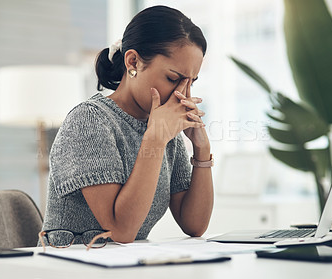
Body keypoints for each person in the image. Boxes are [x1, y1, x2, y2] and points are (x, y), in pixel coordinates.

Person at [40, 5, 214, 246]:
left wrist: (202, 149)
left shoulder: (162, 127)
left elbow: (194, 225)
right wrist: (154, 139)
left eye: (191, 82)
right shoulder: (90, 121)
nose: (183, 94)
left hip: (123, 265)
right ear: (133, 62)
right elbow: (120, 231)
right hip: (70, 264)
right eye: (173, 79)